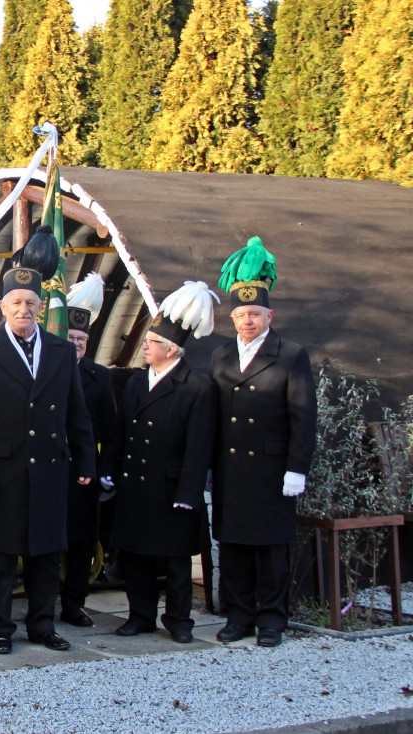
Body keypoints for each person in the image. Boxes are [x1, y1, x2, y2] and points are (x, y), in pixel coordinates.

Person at [0, 266, 95, 655]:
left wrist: (86, 461)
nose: (24, 309)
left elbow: (76, 411)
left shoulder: (61, 350)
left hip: (50, 468)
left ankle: (42, 625)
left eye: (31, 302)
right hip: (4, 471)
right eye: (16, 302)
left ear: (40, 306)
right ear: (3, 306)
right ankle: (0, 628)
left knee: (46, 554)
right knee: (2, 555)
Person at [210, 237, 316, 648]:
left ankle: (271, 619)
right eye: (241, 315)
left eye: (255, 314)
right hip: (231, 468)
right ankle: (238, 616)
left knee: (270, 550)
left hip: (271, 471)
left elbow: (303, 415)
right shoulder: (221, 355)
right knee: (234, 547)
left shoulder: (290, 354)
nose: (248, 321)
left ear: (269, 315)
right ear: (232, 318)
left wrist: (297, 468)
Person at [104, 281, 219, 643]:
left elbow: (200, 445)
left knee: (175, 561)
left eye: (151, 342)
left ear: (171, 349)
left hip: (171, 489)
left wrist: (189, 492)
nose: (144, 346)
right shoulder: (137, 383)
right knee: (137, 556)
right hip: (136, 485)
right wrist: (109, 471)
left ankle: (179, 621)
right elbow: (119, 432)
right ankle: (140, 616)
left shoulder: (197, 387)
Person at [60, 273, 116, 628]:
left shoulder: (100, 377)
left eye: (81, 339)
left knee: (81, 542)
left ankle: (74, 604)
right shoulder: (46, 370)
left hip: (84, 471)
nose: (76, 344)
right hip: (52, 468)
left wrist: (105, 470)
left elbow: (111, 430)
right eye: (71, 338)